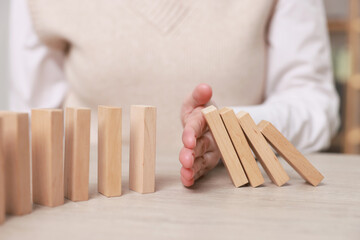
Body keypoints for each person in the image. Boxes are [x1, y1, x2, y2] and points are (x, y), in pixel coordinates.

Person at [10, 0, 339, 187]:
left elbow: (314, 100)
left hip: (237, 206)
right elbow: (31, 122)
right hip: (85, 199)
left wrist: (232, 131)